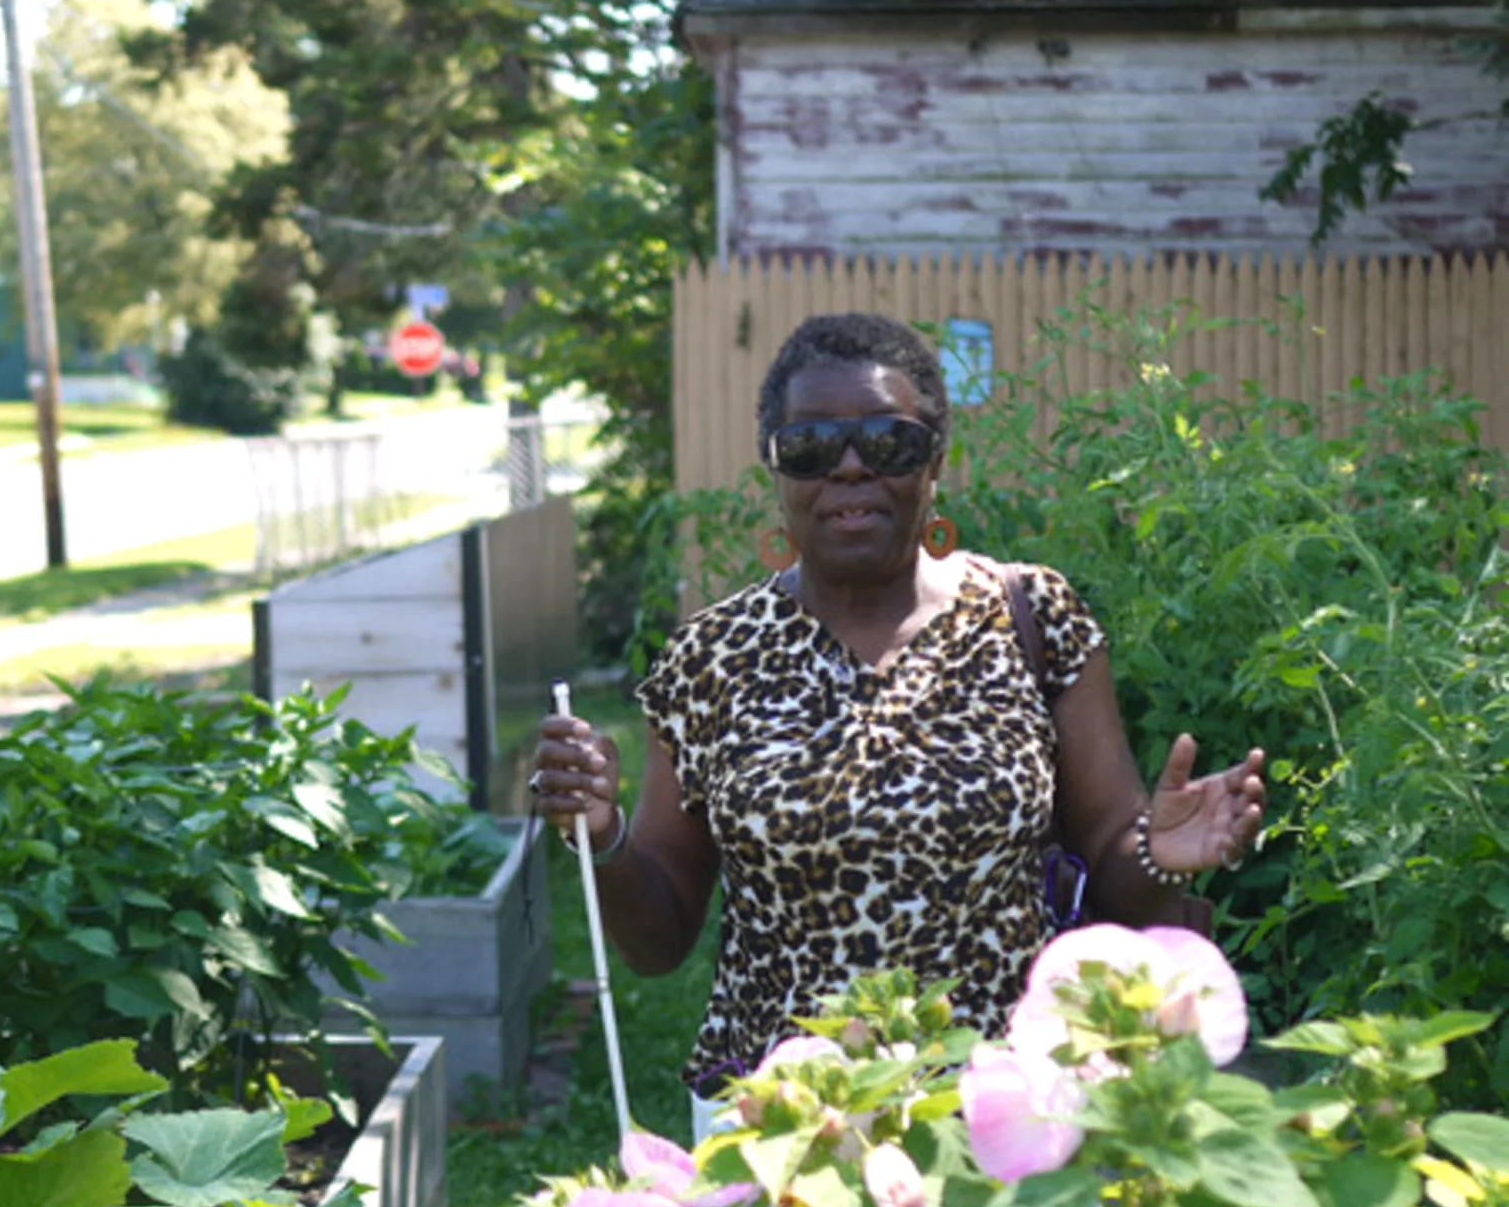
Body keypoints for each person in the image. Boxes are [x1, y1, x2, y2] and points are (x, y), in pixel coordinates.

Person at [531, 312, 1266, 1128]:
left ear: (935, 463)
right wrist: (602, 837)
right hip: (787, 1126)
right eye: (811, 447)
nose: (850, 470)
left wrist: (1157, 852)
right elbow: (658, 940)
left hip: (1006, 1105)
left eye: (889, 443)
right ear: (775, 470)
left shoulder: (1032, 616)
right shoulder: (710, 658)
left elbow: (1112, 867)